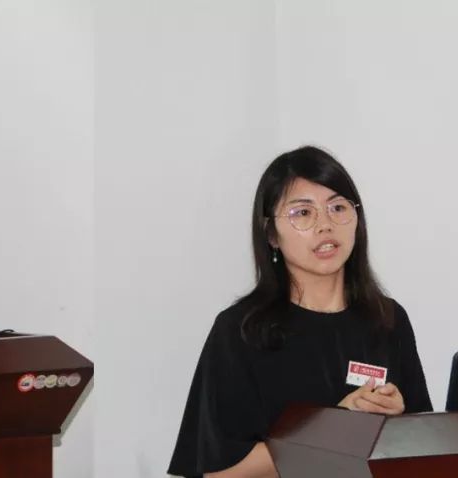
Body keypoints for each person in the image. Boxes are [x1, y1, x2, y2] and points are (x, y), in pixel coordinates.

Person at [168, 146, 432, 477]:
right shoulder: (241, 330)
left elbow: (426, 454)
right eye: (303, 213)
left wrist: (399, 425)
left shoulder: (388, 319)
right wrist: (334, 429)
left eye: (338, 207)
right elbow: (221, 473)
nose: (325, 224)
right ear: (271, 235)